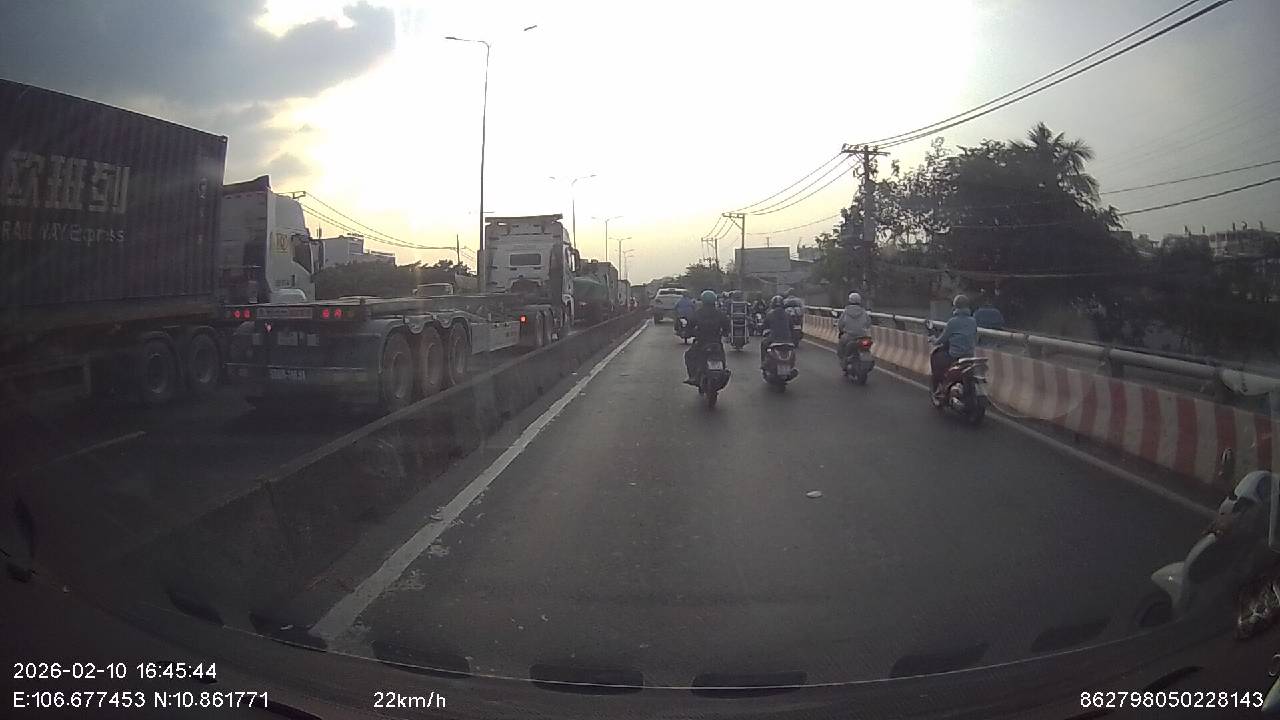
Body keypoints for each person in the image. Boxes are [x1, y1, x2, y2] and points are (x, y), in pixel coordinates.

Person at [930, 294, 979, 395]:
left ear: (955, 306)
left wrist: (934, 340)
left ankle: (938, 387)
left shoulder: (952, 322)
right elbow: (975, 337)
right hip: (970, 355)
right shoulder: (973, 321)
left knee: (937, 358)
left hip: (955, 355)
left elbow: (942, 339)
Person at [685, 290, 729, 384]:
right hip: (716, 342)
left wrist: (688, 333)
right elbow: (727, 326)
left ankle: (692, 376)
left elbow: (689, 326)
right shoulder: (720, 313)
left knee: (689, 356)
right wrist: (725, 333)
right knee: (721, 355)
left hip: (701, 342)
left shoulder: (698, 313)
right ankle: (723, 370)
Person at [760, 295, 794, 367]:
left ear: (772, 304)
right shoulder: (787, 314)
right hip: (787, 340)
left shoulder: (770, 314)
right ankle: (792, 365)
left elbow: (764, 325)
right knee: (792, 350)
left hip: (774, 339)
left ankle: (763, 363)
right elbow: (792, 327)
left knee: (763, 344)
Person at [837, 292, 872, 362]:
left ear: (849, 300)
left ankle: (844, 360)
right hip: (862, 336)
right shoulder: (863, 311)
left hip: (849, 336)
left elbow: (840, 323)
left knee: (841, 346)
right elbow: (868, 323)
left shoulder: (846, 311)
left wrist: (841, 330)